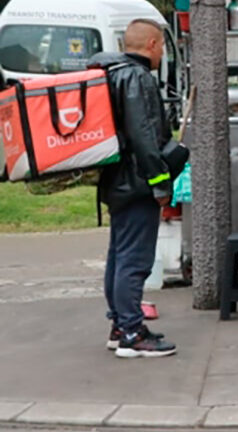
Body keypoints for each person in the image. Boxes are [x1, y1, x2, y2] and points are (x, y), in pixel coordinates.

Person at [92, 19, 177, 358]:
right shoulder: (137, 78)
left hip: (115, 178)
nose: (162, 54)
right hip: (136, 182)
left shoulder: (111, 72)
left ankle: (120, 324)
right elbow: (145, 136)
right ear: (153, 44)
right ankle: (131, 332)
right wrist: (160, 183)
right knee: (134, 258)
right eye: (163, 48)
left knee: (119, 253)